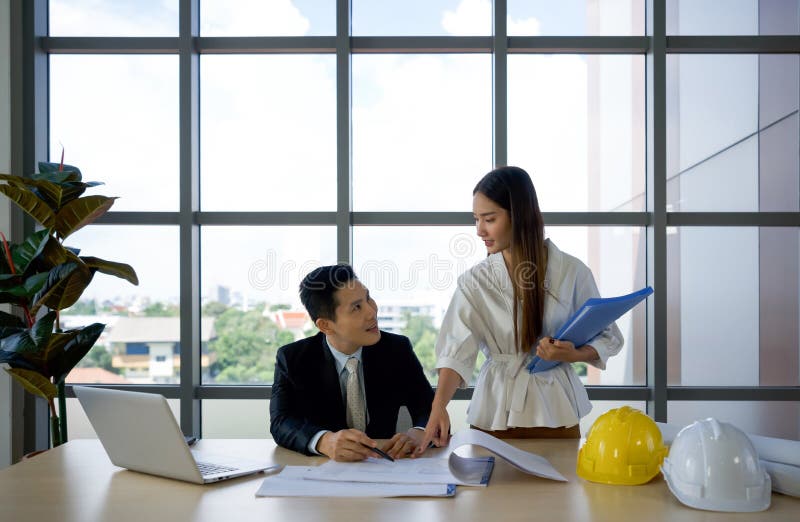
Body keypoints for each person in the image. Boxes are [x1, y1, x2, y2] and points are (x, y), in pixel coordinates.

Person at [418, 166, 623, 452]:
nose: (479, 231)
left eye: (489, 219)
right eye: (476, 219)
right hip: (494, 412)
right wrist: (438, 407)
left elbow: (607, 336)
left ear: (520, 215)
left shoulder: (573, 272)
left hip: (556, 412)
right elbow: (455, 351)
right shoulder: (475, 281)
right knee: (489, 494)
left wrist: (572, 354)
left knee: (556, 495)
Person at [270, 264, 435, 462]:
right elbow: (281, 422)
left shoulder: (396, 349)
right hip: (322, 473)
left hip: (386, 468)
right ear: (325, 325)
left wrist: (420, 431)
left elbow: (430, 408)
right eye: (357, 307)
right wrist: (324, 441)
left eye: (368, 298)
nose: (372, 311)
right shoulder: (293, 358)